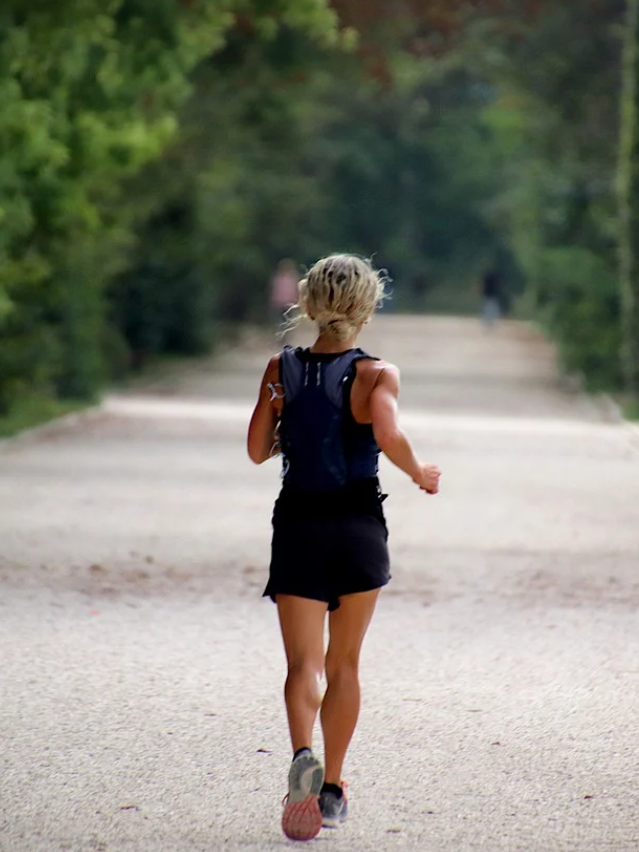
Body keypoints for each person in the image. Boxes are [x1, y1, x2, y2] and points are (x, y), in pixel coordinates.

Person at [246, 253, 441, 841]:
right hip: (357, 526)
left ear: (308, 305)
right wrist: (418, 473)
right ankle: (331, 788)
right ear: (366, 308)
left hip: (299, 525)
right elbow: (387, 432)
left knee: (301, 665)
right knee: (344, 664)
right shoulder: (377, 374)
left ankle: (302, 752)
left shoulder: (279, 367)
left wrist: (288, 419)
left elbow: (257, 451)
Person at [269, 259, 300, 328]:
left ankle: (286, 333)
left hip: (289, 303)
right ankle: (281, 333)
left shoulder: (292, 278)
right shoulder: (278, 278)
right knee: (280, 319)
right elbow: (275, 290)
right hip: (280, 302)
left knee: (288, 319)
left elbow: (295, 290)